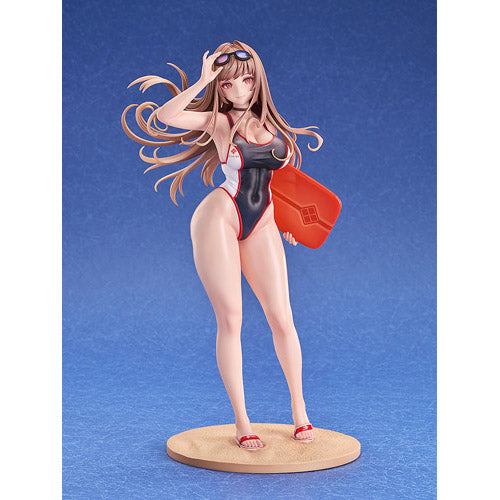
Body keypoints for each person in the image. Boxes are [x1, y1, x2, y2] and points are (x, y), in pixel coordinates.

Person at [122, 40, 323, 450]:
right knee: (231, 318)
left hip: (263, 221)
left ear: (257, 80)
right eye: (228, 83)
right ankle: (242, 421)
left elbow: (284, 186)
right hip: (221, 215)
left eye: (246, 80)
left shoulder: (277, 128)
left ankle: (300, 410)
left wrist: (291, 224)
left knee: (282, 317)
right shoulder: (218, 122)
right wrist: (203, 80)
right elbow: (166, 116)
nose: (238, 89)